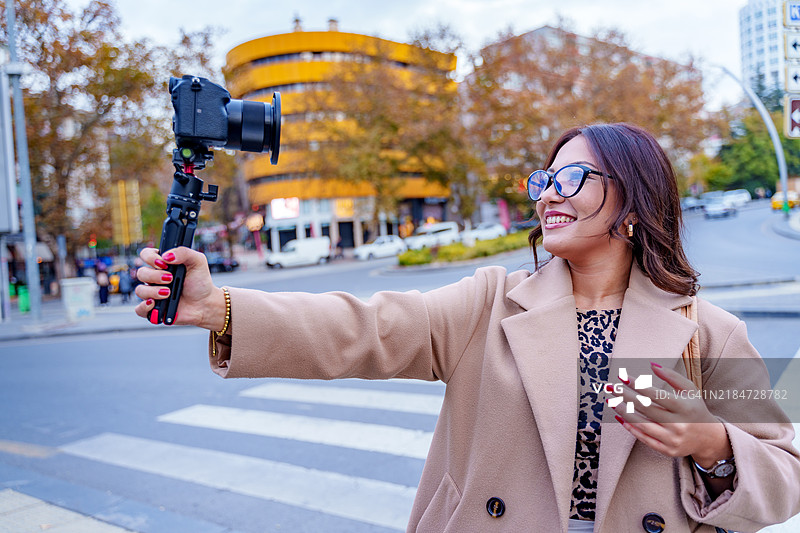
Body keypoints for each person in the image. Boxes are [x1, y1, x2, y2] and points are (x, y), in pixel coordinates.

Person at [134, 123, 800, 532]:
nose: (548, 194)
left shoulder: (703, 330)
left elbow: (785, 471)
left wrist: (711, 441)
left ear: (630, 198)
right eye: (546, 178)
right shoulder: (490, 303)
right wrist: (220, 308)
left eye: (573, 177)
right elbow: (367, 327)